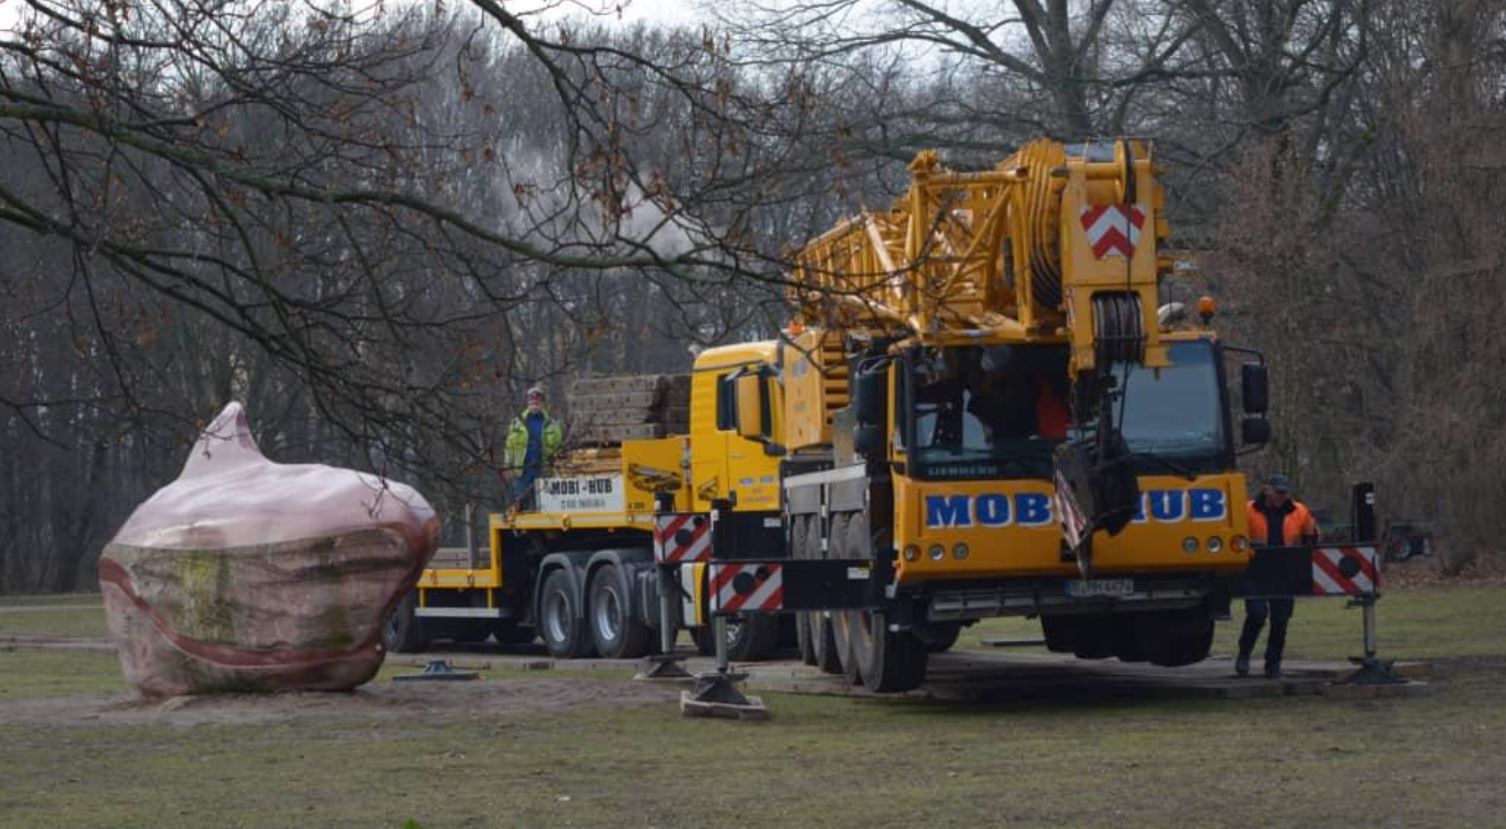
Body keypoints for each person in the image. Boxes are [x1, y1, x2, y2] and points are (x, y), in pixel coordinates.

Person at [1237, 473, 1320, 678]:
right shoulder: (1247, 510)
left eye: (1284, 492)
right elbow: (1236, 538)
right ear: (1267, 490)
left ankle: (1273, 664)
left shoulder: (1299, 511)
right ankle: (1244, 655)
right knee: (1256, 615)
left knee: (1280, 621)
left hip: (1285, 574)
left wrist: (1311, 544)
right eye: (1278, 492)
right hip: (1255, 573)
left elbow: (1312, 536)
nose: (1282, 496)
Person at [504, 386, 563, 509]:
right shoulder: (517, 423)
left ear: (543, 402)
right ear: (527, 402)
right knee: (521, 504)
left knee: (544, 506)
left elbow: (558, 447)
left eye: (537, 399)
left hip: (543, 470)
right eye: (531, 399)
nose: (534, 402)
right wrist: (507, 465)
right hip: (522, 471)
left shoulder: (552, 424)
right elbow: (509, 446)